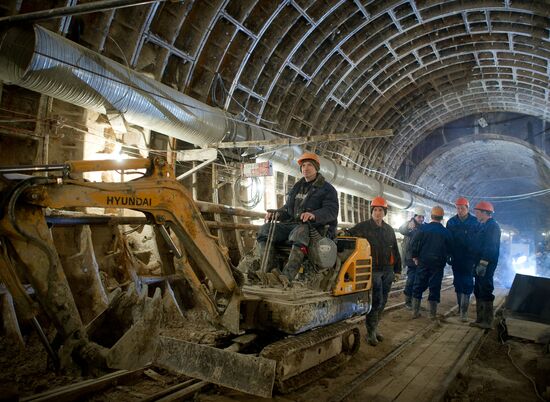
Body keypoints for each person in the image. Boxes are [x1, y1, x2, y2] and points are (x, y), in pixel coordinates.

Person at [256, 152, 338, 282]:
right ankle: (269, 272)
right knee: (265, 230)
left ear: (316, 167)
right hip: (292, 225)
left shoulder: (327, 189)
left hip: (315, 228)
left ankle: (287, 275)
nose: (306, 168)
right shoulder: (296, 187)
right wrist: (276, 214)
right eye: (303, 165)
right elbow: (288, 209)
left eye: (310, 165)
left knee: (300, 232)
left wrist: (314, 215)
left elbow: (331, 211)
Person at [344, 196, 401, 346]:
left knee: (383, 301)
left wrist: (397, 270)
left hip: (387, 270)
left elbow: (395, 250)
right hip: (373, 270)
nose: (377, 213)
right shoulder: (363, 227)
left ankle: (375, 329)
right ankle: (370, 333)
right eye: (375, 210)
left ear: (384, 212)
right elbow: (348, 236)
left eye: (380, 210)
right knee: (376, 301)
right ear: (371, 211)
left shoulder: (389, 230)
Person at [410, 206, 453, 320]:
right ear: (442, 218)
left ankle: (415, 312)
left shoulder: (423, 229)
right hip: (438, 264)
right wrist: (447, 259)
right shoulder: (446, 232)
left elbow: (414, 243)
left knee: (418, 285)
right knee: (434, 287)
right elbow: (450, 249)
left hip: (423, 262)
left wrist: (414, 256)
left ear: (431, 216)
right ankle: (431, 314)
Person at [446, 197, 479, 322]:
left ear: (467, 208)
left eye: (462, 208)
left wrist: (477, 257)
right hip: (456, 258)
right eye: (458, 208)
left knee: (468, 283)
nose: (460, 210)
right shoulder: (451, 222)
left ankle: (464, 312)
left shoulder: (475, 222)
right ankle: (461, 308)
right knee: (458, 283)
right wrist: (448, 254)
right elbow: (448, 240)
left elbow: (478, 241)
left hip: (470, 259)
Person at [470, 201, 501, 329]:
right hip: (479, 263)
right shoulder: (483, 225)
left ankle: (487, 321)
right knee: (478, 289)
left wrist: (483, 262)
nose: (476, 214)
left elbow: (491, 246)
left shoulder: (492, 226)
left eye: (477, 212)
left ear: (484, 213)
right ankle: (480, 319)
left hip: (486, 264)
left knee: (485, 289)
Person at [399, 206, 426, 309]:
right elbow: (402, 229)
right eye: (419, 217)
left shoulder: (423, 227)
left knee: (419, 281)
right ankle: (408, 302)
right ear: (415, 216)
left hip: (420, 258)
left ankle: (416, 303)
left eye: (422, 217)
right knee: (411, 280)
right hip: (410, 258)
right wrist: (409, 226)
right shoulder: (410, 225)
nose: (421, 219)